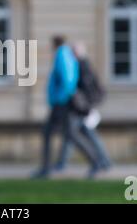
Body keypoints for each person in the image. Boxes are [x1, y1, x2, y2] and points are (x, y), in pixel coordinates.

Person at [33, 36, 100, 179]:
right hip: (61, 102)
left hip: (61, 103)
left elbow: (67, 79)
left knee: (60, 134)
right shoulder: (66, 55)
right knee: (67, 135)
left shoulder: (61, 55)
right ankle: (95, 162)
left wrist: (64, 97)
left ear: (55, 44)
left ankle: (46, 169)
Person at [54, 41, 112, 173]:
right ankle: (63, 162)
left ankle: (101, 161)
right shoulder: (83, 64)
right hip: (82, 106)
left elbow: (85, 89)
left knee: (74, 133)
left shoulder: (81, 66)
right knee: (73, 134)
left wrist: (84, 105)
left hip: (82, 107)